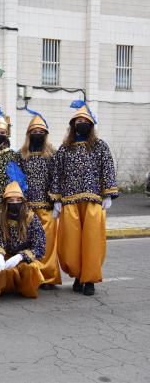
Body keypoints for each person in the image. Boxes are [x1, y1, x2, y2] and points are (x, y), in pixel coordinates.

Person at [50, 100, 118, 296]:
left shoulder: (100, 146)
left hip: (93, 201)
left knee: (92, 242)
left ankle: (89, 280)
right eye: (78, 120)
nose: (81, 123)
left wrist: (109, 194)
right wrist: (56, 199)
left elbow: (108, 168)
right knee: (71, 244)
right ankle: (78, 275)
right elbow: (57, 173)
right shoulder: (65, 148)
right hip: (69, 201)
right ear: (73, 125)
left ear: (91, 124)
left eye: (85, 120)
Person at [18, 109, 60, 289]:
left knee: (48, 243)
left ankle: (48, 277)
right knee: (27, 242)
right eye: (34, 132)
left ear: (46, 134)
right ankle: (30, 275)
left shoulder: (53, 154)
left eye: (41, 132)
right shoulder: (20, 154)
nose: (37, 135)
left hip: (46, 207)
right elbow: (17, 180)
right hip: (27, 208)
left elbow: (57, 177)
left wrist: (56, 199)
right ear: (29, 134)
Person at [0, 163, 46, 298]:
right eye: (11, 200)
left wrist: (21, 256)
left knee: (31, 268)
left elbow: (40, 247)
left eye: (18, 200)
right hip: (6, 258)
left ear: (23, 201)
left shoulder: (31, 218)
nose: (14, 203)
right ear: (5, 202)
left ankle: (26, 287)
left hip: (24, 260)